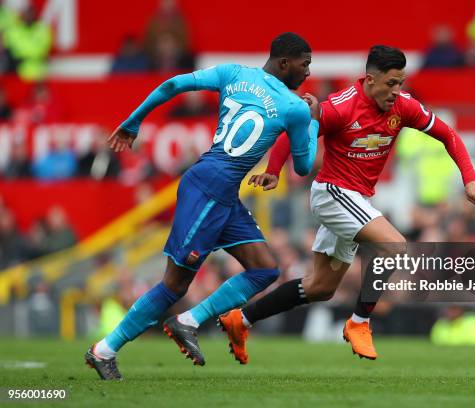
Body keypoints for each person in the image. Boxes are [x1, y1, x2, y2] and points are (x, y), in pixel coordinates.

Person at [218, 45, 475, 363]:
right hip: (332, 193)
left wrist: (470, 178)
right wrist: (273, 170)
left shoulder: (404, 107)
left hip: (356, 199)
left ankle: (241, 319)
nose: (396, 91)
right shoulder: (340, 108)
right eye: (391, 83)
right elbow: (291, 133)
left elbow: (448, 135)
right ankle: (359, 323)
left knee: (320, 287)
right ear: (370, 79)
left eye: (400, 83)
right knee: (396, 247)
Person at [85, 32, 318, 380]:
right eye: (305, 63)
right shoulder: (295, 107)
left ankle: (188, 321)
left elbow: (173, 84)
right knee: (175, 285)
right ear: (285, 63)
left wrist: (134, 120)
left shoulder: (234, 73)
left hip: (219, 191)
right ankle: (104, 350)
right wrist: (312, 121)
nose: (308, 72)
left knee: (266, 269)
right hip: (209, 192)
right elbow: (303, 165)